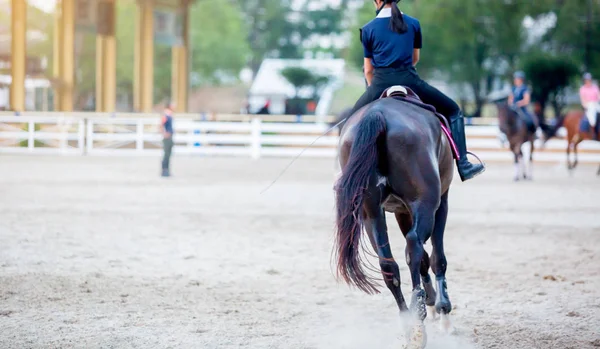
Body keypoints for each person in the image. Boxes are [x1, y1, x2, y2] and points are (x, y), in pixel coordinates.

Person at [350, 0, 484, 182]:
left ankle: (348, 174)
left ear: (378, 1)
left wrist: (375, 90)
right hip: (410, 81)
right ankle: (464, 164)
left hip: (380, 84)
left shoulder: (368, 29)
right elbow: (414, 59)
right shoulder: (413, 24)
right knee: (454, 110)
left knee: (350, 121)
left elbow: (368, 70)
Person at [579, 72, 600, 140]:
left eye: (589, 79)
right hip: (588, 104)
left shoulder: (595, 87)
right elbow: (582, 99)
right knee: (592, 118)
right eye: (586, 80)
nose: (588, 81)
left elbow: (598, 96)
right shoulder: (583, 88)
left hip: (595, 103)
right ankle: (594, 133)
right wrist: (585, 105)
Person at [161, 103, 175, 177]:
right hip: (167, 137)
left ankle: (167, 170)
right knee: (166, 154)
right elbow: (161, 124)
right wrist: (164, 133)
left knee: (168, 154)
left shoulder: (169, 114)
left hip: (170, 136)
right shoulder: (166, 114)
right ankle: (164, 170)